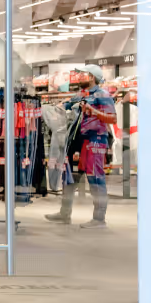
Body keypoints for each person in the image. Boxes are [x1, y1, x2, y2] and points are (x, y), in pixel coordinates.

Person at [46, 64, 117, 229]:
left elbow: (112, 119)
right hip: (77, 141)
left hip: (95, 141)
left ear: (92, 77)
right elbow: (66, 105)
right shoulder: (80, 94)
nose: (78, 77)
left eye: (82, 75)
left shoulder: (103, 95)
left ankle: (99, 219)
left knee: (96, 179)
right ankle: (64, 214)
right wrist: (60, 108)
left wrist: (93, 111)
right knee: (70, 179)